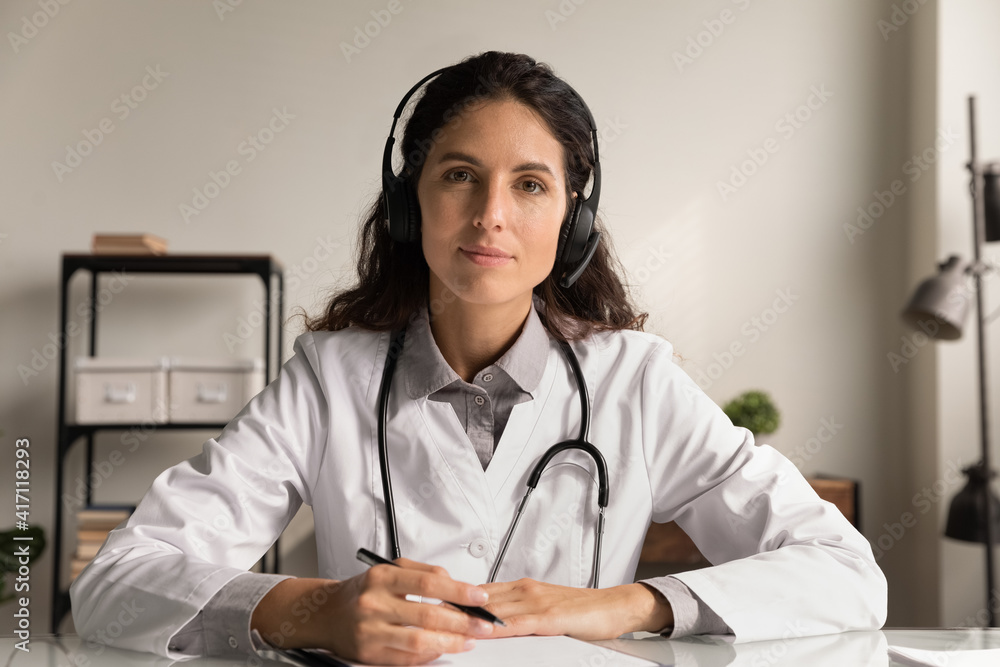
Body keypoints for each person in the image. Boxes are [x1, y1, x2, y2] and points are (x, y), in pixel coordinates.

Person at [70, 51, 887, 665]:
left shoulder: (635, 381)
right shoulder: (328, 378)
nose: (491, 215)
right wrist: (311, 608)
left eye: (531, 184)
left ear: (572, 222)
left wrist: (629, 604)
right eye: (460, 175)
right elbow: (114, 584)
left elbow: (848, 574)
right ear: (407, 205)